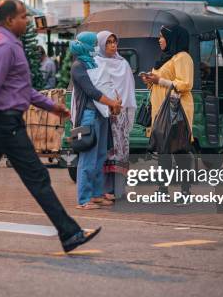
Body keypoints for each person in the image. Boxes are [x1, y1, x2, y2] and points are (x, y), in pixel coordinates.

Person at [0, 0, 101, 253]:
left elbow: (19, 89)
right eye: (22, 16)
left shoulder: (7, 44)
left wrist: (51, 106)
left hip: (3, 123)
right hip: (5, 124)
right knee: (37, 177)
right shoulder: (4, 46)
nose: (26, 20)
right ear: (9, 20)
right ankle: (70, 233)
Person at [70, 32, 122, 209]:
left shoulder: (93, 62)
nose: (94, 48)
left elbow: (105, 84)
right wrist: (112, 102)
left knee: (100, 156)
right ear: (84, 46)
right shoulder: (78, 66)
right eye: (92, 45)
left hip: (102, 114)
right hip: (89, 115)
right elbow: (91, 91)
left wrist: (115, 101)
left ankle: (97, 194)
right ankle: (83, 200)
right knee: (88, 158)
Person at [141, 25, 194, 198]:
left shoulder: (182, 57)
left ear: (172, 39)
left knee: (179, 151)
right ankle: (163, 190)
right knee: (163, 151)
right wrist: (150, 79)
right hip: (162, 111)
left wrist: (160, 80)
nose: (159, 39)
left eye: (162, 36)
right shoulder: (166, 58)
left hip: (176, 110)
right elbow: (161, 81)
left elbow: (185, 84)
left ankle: (185, 191)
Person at [96, 31, 136, 200]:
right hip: (106, 114)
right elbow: (99, 88)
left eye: (114, 42)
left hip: (122, 115)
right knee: (108, 152)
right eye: (108, 42)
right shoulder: (97, 62)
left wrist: (123, 108)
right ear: (101, 45)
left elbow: (129, 89)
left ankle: (119, 188)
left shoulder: (123, 63)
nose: (113, 45)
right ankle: (106, 189)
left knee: (121, 152)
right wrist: (111, 105)